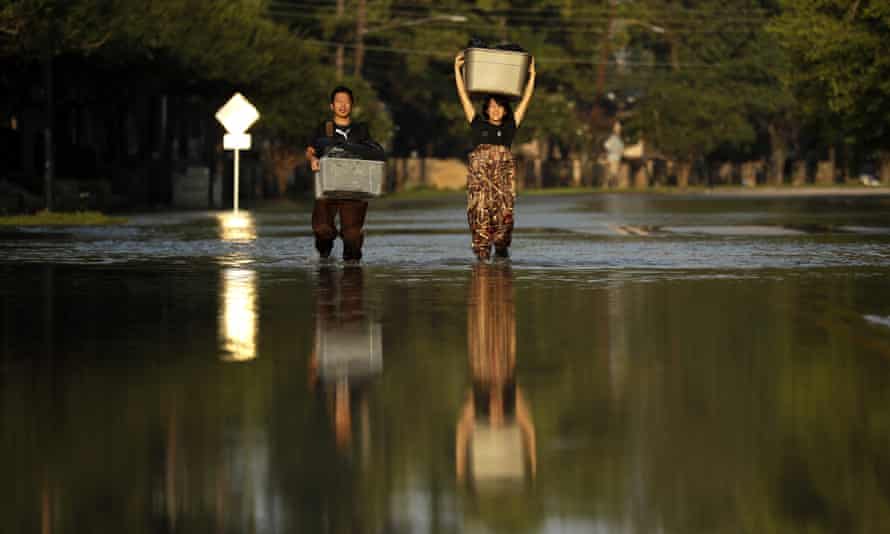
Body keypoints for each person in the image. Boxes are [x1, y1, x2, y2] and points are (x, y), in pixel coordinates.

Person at [454, 51, 536, 261]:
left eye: (499, 106)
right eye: (490, 107)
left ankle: (501, 251)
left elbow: (526, 100)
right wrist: (457, 69)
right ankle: (481, 260)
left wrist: (532, 75)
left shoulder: (511, 126)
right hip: (480, 185)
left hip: (503, 186)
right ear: (486, 110)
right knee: (479, 219)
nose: (495, 110)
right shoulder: (477, 124)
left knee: (504, 222)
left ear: (505, 109)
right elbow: (463, 96)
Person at [305, 86, 373, 261]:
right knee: (322, 229)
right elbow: (311, 150)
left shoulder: (361, 130)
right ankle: (324, 257)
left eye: (346, 102)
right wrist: (312, 159)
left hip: (354, 190)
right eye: (338, 102)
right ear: (332, 106)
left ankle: (353, 275)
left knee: (351, 238)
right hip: (327, 187)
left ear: (352, 105)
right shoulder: (323, 129)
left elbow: (372, 153)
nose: (343, 105)